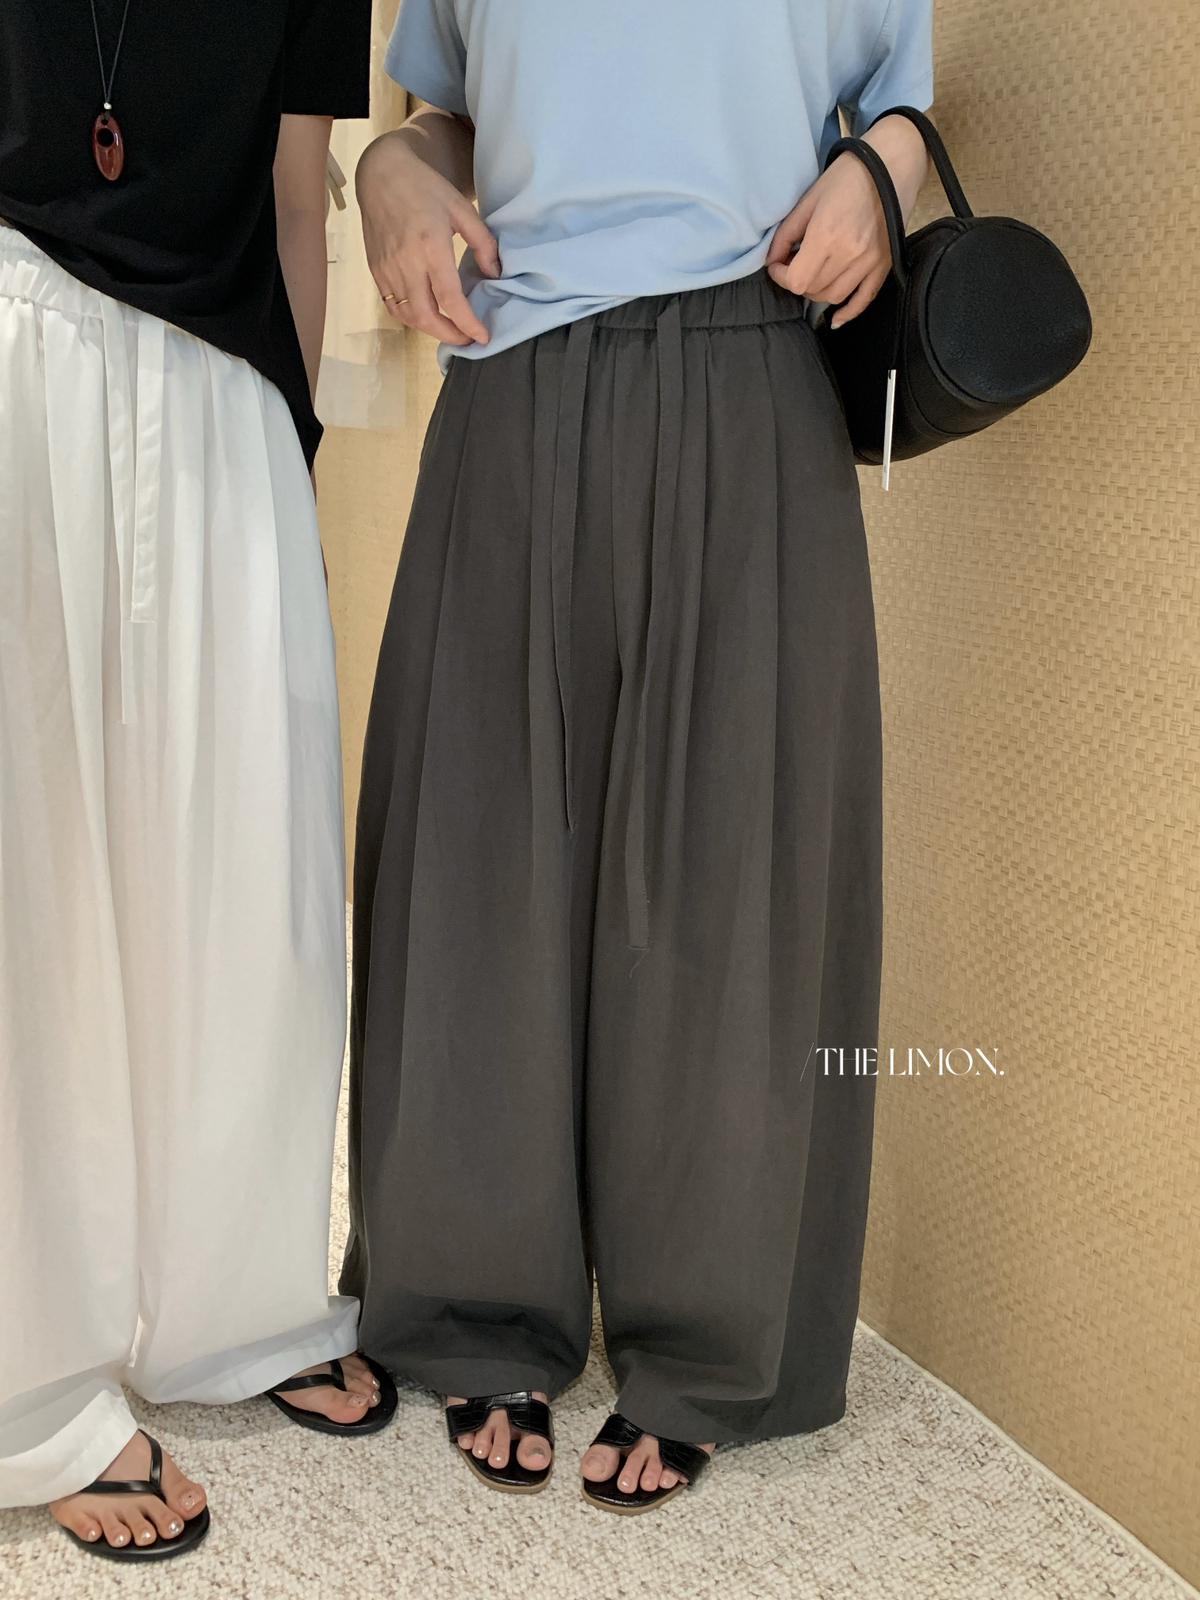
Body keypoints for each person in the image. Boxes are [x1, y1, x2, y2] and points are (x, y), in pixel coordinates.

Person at [342, 0, 934, 1514]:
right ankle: (473, 1299)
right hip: (514, 374)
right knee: (481, 852)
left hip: (753, 362)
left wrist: (884, 173)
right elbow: (454, 115)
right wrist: (391, 169)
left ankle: (709, 1336)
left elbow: (902, 106)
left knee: (735, 869)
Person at [0, 0, 396, 1563]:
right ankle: (27, 1383)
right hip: (15, 347)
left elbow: (298, 199)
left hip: (225, 391)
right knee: (30, 882)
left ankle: (236, 1305)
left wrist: (290, 457)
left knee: (245, 867)